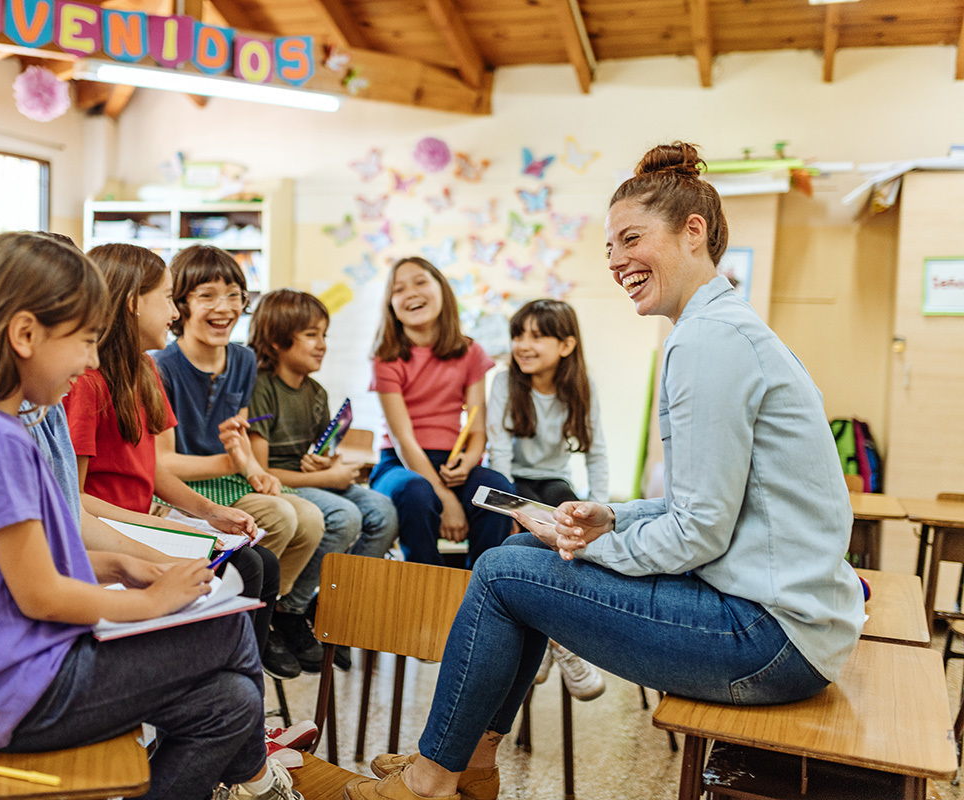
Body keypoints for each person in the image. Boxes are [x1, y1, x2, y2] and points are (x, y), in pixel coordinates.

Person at [346, 143, 864, 800]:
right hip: (787, 622)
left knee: (504, 570)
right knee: (519, 571)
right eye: (610, 245)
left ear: (693, 231)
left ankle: (433, 776)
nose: (616, 260)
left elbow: (700, 532)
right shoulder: (718, 329)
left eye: (631, 239)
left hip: (768, 637)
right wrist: (612, 515)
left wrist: (589, 541)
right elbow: (701, 505)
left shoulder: (709, 343)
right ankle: (468, 761)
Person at [0, 232, 299, 800]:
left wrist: (118, 563)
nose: (92, 358)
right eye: (85, 340)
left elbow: (20, 570)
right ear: (24, 335)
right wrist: (145, 603)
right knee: (228, 623)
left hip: (25, 675)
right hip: (22, 692)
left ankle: (250, 780)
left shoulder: (1, 428)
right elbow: (40, 595)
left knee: (231, 703)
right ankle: (258, 785)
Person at [59, 242, 292, 680]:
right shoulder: (87, 383)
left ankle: (243, 694)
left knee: (264, 562)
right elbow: (77, 498)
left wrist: (209, 513)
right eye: (167, 298)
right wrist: (166, 526)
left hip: (140, 521)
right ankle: (220, 692)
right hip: (109, 530)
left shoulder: (145, 370)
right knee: (241, 567)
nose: (174, 312)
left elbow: (152, 469)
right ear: (131, 303)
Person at [150, 244, 323, 674]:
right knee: (279, 519)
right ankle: (237, 622)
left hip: (229, 485)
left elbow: (237, 436)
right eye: (207, 295)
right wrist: (232, 465)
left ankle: (263, 617)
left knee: (312, 519)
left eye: (234, 295)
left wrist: (253, 470)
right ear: (180, 304)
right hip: (185, 494)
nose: (224, 307)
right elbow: (164, 463)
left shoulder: (243, 359)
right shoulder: (162, 367)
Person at [246, 289, 399, 672]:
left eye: (325, 335)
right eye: (313, 335)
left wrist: (326, 464)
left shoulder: (316, 392)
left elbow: (321, 453)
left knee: (382, 511)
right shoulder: (260, 386)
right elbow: (260, 472)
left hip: (308, 479)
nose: (322, 345)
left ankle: (329, 609)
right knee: (345, 516)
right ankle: (289, 611)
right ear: (279, 339)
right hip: (277, 484)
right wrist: (328, 476)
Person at [486, 298, 608, 701]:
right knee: (531, 533)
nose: (523, 344)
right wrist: (509, 507)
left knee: (569, 524)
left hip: (553, 481)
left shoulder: (581, 387)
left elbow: (597, 452)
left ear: (566, 345)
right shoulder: (504, 382)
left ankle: (552, 639)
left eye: (537, 336)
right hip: (514, 481)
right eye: (518, 335)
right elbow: (499, 454)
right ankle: (557, 640)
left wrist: (604, 512)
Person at [368, 256, 515, 568]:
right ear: (391, 305)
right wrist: (445, 497)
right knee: (416, 492)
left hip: (454, 462)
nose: (411, 292)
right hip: (399, 464)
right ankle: (425, 587)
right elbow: (402, 438)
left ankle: (480, 585)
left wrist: (470, 459)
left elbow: (477, 427)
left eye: (420, 282)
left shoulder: (470, 352)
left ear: (442, 289)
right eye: (398, 289)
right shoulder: (386, 358)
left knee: (498, 489)